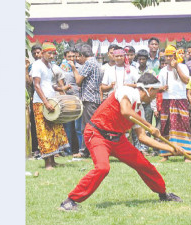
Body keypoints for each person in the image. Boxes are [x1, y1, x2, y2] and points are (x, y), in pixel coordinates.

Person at [59, 73, 184, 211]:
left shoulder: (139, 109)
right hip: (97, 134)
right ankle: (69, 201)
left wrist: (170, 149)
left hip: (118, 139)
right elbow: (125, 111)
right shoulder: (127, 91)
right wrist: (149, 125)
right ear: (149, 90)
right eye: (157, 92)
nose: (157, 95)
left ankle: (163, 194)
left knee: (143, 163)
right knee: (103, 168)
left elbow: (143, 138)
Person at [30, 42, 70, 169]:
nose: (52, 56)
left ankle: (52, 161)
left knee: (53, 131)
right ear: (42, 53)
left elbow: (49, 85)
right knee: (44, 132)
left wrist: (61, 89)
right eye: (49, 53)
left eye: (53, 53)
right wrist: (46, 102)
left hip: (51, 102)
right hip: (41, 103)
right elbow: (36, 85)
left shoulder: (51, 66)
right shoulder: (37, 65)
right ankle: (47, 163)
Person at [158, 45, 191, 162]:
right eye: (166, 56)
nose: (168, 58)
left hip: (181, 99)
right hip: (167, 100)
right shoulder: (162, 71)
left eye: (170, 56)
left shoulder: (183, 67)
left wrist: (177, 67)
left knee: (184, 124)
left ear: (175, 56)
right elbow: (158, 88)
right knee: (166, 126)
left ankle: (186, 153)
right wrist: (162, 88)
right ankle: (166, 154)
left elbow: (186, 81)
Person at [69, 44, 102, 158]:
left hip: (89, 99)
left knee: (88, 127)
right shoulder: (96, 63)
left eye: (78, 57)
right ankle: (88, 150)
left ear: (83, 55)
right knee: (91, 126)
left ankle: (85, 151)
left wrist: (73, 68)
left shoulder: (89, 63)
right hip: (95, 99)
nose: (77, 59)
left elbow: (78, 81)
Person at [61, 47, 83, 156]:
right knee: (67, 127)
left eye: (73, 56)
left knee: (78, 127)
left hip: (78, 100)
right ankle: (67, 151)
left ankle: (81, 151)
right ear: (65, 57)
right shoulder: (60, 68)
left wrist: (74, 68)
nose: (72, 58)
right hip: (66, 100)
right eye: (69, 56)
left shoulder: (80, 67)